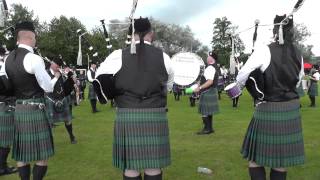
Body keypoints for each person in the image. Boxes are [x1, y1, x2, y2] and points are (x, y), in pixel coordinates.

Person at [95, 17, 174, 180]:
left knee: (131, 167)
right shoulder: (164, 57)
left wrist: (113, 93)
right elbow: (169, 86)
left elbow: (98, 79)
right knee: (153, 166)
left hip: (127, 114)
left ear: (132, 34)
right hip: (155, 115)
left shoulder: (117, 55)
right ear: (151, 34)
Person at [236, 15, 304, 180]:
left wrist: (256, 89)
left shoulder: (264, 50)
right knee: (280, 162)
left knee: (255, 161)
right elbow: (298, 80)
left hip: (269, 106)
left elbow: (241, 76)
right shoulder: (298, 53)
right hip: (291, 108)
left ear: (275, 30)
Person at [4, 21, 59, 180]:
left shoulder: (7, 60)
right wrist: (55, 79)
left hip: (19, 109)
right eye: (35, 37)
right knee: (42, 155)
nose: (36, 40)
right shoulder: (34, 58)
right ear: (30, 36)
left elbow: (6, 85)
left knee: (22, 154)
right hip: (35, 109)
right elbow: (47, 87)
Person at [45, 57, 77, 144]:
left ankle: (71, 136)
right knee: (49, 122)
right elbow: (47, 88)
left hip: (62, 99)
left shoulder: (60, 73)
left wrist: (71, 80)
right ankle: (49, 141)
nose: (58, 67)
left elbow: (64, 86)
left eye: (59, 66)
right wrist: (55, 78)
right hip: (51, 100)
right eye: (56, 65)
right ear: (52, 63)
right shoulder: (46, 73)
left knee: (68, 120)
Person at [0, 46, 17, 176]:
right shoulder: (1, 68)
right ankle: (2, 167)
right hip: (5, 105)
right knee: (5, 140)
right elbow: (7, 87)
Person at [193, 51, 219, 135]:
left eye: (209, 56)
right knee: (208, 111)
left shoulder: (210, 68)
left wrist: (199, 87)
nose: (207, 57)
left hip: (208, 91)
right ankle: (210, 128)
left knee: (205, 111)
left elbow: (210, 81)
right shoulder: (213, 67)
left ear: (212, 59)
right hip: (211, 91)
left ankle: (206, 129)